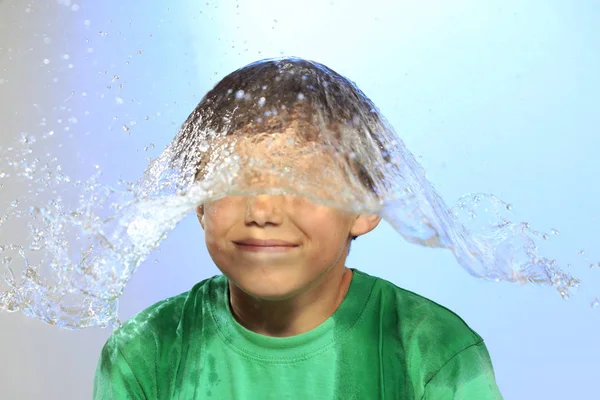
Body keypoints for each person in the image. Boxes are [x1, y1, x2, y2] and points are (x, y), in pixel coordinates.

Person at [93, 57, 504, 399]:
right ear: (198, 202)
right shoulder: (146, 352)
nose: (263, 211)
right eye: (232, 181)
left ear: (365, 205)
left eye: (299, 183)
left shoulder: (434, 353)